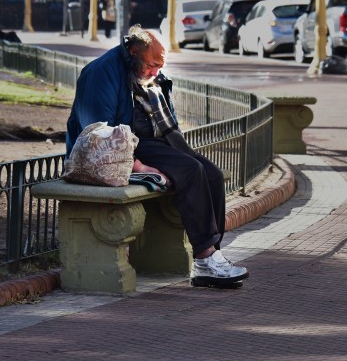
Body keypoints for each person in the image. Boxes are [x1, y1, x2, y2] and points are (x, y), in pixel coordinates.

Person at [65, 25, 249, 288]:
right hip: (115, 148)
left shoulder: (148, 74)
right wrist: (141, 167)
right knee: (190, 171)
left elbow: (166, 122)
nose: (156, 72)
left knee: (211, 174)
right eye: (152, 65)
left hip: (149, 142)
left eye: (160, 66)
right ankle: (205, 255)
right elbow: (96, 134)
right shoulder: (101, 72)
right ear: (133, 51)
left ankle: (210, 258)